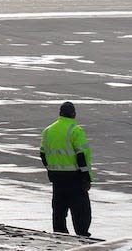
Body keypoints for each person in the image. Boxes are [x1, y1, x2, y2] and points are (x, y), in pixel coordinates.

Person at [40, 101, 93, 237]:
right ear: (74, 114)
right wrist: (86, 176)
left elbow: (43, 154)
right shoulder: (76, 130)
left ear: (60, 114)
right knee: (81, 209)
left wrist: (51, 169)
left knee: (59, 208)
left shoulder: (48, 131)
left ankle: (60, 233)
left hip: (56, 177)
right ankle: (82, 234)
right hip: (74, 177)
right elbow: (81, 155)